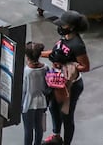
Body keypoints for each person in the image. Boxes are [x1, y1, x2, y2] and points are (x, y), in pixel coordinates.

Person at [41, 11, 91, 145]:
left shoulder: (77, 45)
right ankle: (56, 136)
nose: (60, 27)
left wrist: (68, 64)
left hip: (70, 85)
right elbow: (55, 52)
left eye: (63, 25)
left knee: (66, 116)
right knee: (53, 108)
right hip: (57, 81)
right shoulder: (64, 38)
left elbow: (85, 66)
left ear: (72, 27)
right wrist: (39, 53)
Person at [23, 42, 48, 145]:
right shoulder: (45, 67)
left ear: (27, 56)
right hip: (41, 101)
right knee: (39, 127)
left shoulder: (27, 71)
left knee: (28, 129)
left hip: (28, 103)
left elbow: (24, 90)